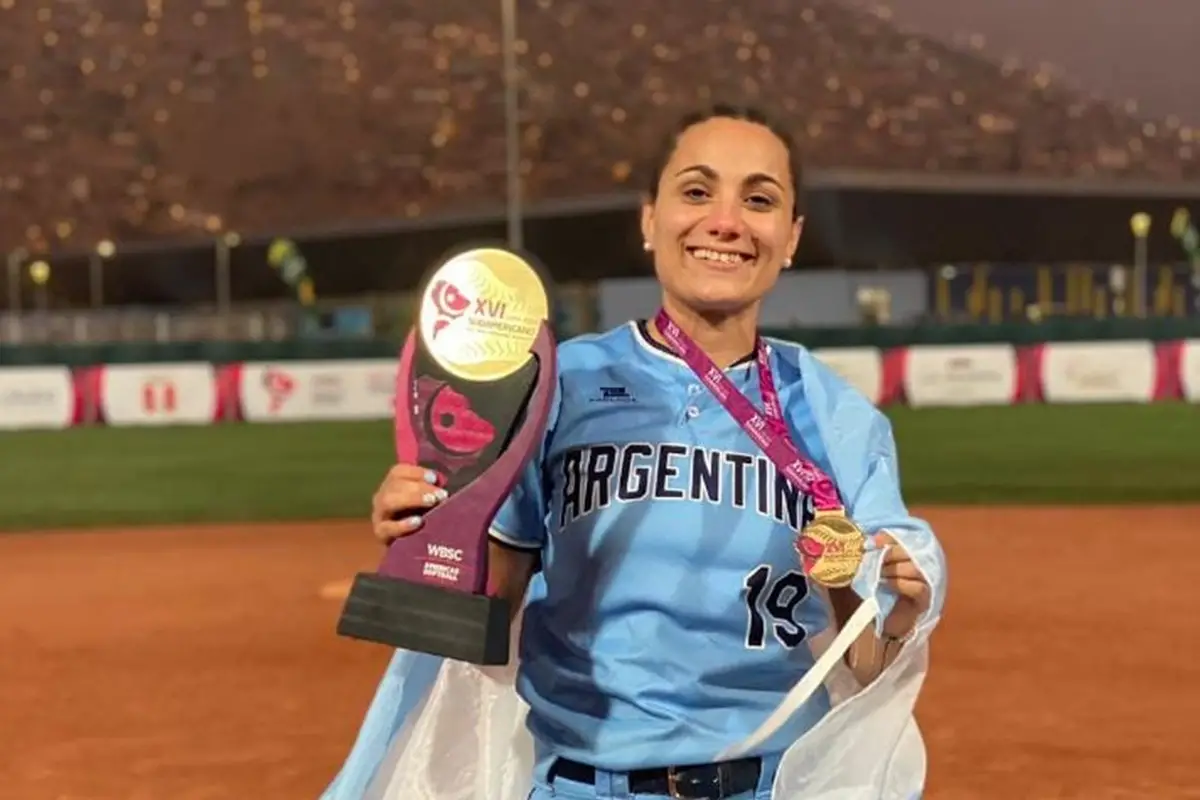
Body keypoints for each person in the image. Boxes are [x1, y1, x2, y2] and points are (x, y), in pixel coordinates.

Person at [321, 104, 948, 800]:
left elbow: (862, 656)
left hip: (766, 785)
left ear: (792, 235)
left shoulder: (835, 416)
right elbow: (488, 618)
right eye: (697, 191)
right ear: (650, 220)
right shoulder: (561, 386)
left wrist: (898, 610)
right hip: (584, 786)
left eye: (761, 199)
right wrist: (438, 530)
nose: (727, 221)